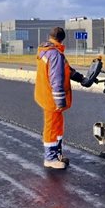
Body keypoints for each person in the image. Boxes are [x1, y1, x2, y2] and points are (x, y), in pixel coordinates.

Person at [34, 27, 85, 169]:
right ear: (62, 39)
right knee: (51, 127)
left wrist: (80, 78)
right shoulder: (55, 54)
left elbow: (66, 69)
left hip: (45, 95)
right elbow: (56, 79)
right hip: (51, 99)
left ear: (50, 36)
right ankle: (50, 158)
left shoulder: (46, 51)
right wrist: (60, 101)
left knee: (57, 126)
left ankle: (57, 154)